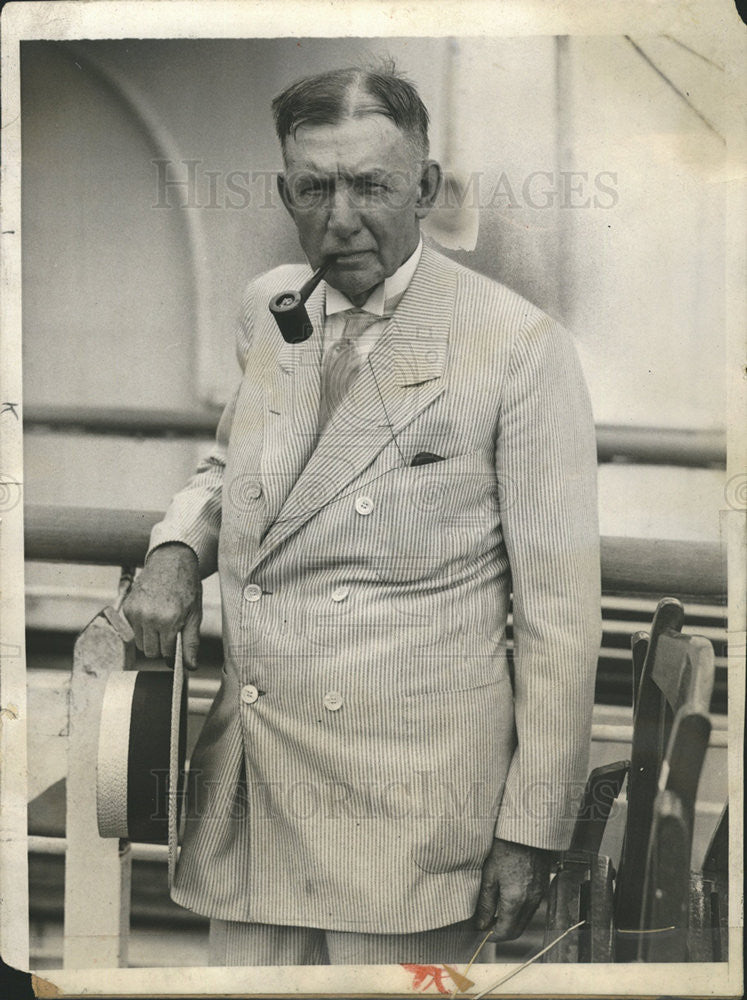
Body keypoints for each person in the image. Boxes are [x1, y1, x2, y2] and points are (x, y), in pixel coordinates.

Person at [123, 63, 602, 967]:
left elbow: (560, 619)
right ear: (284, 192)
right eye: (314, 187)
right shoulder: (271, 309)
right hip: (258, 782)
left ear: (422, 188)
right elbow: (238, 464)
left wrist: (532, 833)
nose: (339, 218)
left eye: (370, 185)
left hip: (412, 819)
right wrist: (178, 546)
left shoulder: (518, 349)